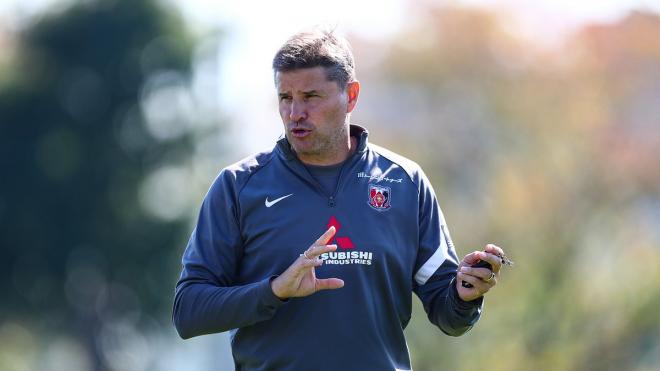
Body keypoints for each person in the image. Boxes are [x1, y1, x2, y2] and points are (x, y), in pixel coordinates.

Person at [173, 29, 507, 371]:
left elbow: (448, 313)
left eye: (310, 96)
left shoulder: (405, 182)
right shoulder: (238, 187)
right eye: (285, 97)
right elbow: (188, 311)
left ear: (351, 95)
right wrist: (274, 290)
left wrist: (466, 295)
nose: (295, 113)